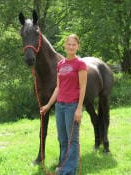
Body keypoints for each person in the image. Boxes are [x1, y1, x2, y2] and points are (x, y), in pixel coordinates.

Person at [40, 34, 87, 175]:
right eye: (69, 44)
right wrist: (48, 105)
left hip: (72, 106)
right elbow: (58, 88)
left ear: (78, 46)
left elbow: (83, 87)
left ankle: (68, 171)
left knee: (72, 139)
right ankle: (64, 166)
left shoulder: (80, 64)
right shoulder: (60, 64)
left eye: (74, 44)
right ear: (65, 46)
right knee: (62, 138)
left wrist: (79, 109)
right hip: (60, 106)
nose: (71, 47)